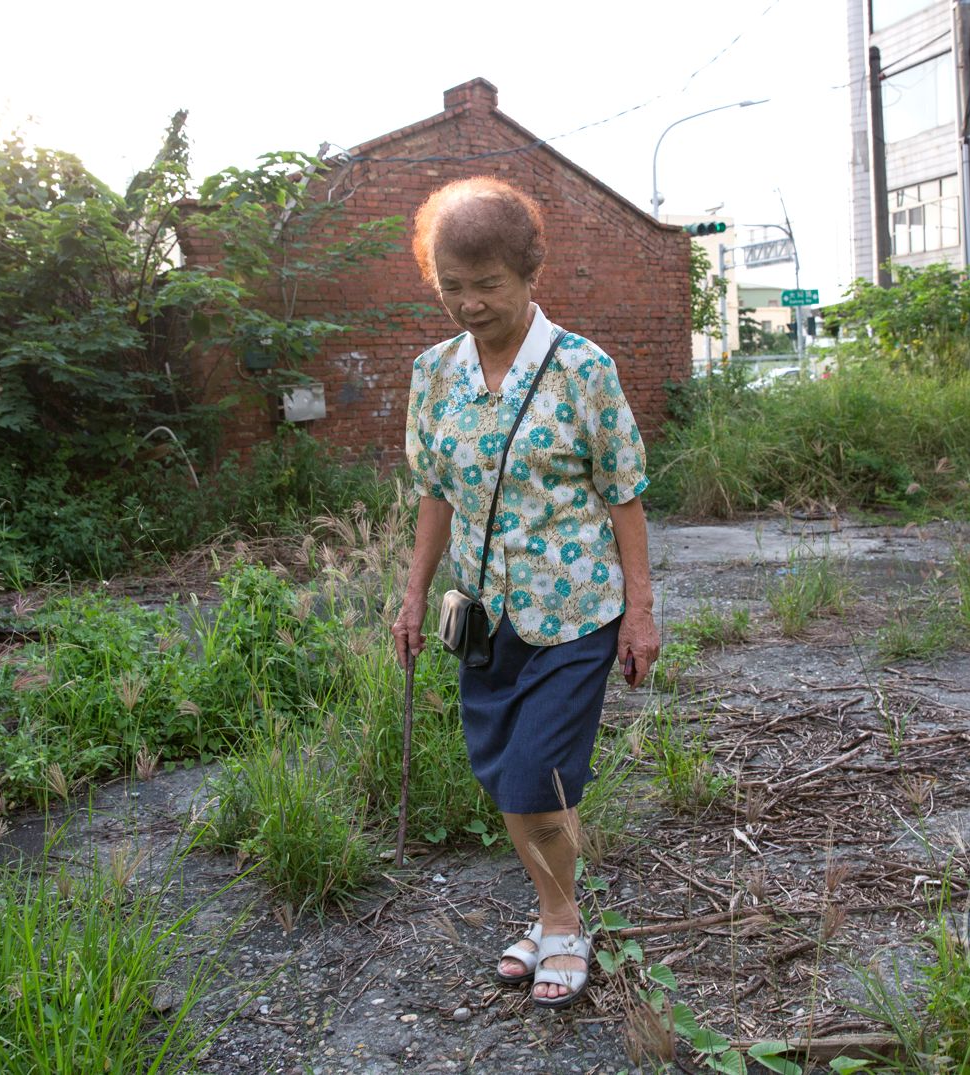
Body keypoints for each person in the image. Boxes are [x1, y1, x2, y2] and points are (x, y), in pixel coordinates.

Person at [391, 176, 661, 1009]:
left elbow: (625, 495)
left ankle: (562, 920)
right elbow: (435, 494)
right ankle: (551, 914)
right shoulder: (434, 374)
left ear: (529, 273)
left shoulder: (583, 368)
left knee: (537, 777)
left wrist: (641, 613)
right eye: (452, 286)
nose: (469, 303)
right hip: (482, 616)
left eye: (487, 284)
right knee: (508, 772)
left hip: (574, 610)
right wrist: (413, 595)